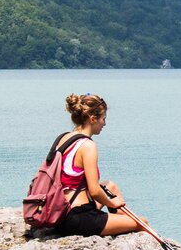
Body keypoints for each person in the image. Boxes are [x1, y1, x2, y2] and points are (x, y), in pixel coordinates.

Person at [52, 93, 153, 237]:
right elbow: (94, 191)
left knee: (110, 186)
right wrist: (113, 203)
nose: (104, 123)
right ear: (93, 119)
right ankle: (166, 245)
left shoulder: (63, 138)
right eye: (103, 119)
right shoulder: (88, 146)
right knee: (142, 222)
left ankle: (120, 222)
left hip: (61, 212)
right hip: (78, 218)